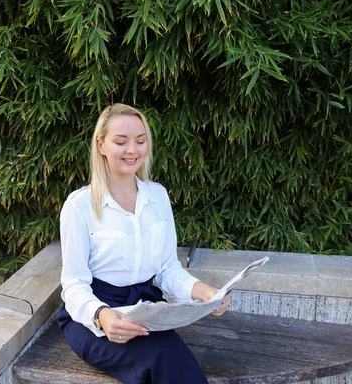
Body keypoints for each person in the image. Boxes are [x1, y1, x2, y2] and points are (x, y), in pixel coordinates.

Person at [57, 103, 230, 384]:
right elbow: (74, 284)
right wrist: (101, 316)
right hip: (92, 316)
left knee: (167, 353)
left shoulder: (158, 196)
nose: (132, 150)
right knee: (165, 356)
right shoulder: (79, 206)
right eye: (121, 141)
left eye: (140, 140)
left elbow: (166, 268)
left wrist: (205, 292)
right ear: (101, 145)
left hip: (146, 308)